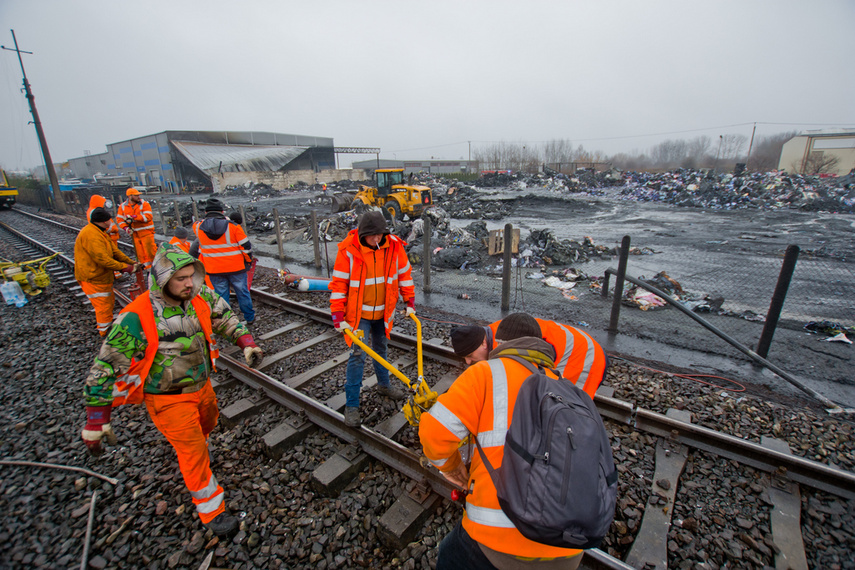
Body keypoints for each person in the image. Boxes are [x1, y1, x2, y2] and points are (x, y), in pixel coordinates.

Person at [80, 242, 264, 537]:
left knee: (208, 423)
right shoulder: (137, 316)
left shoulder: (198, 296)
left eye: (192, 276)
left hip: (202, 386)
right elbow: (106, 366)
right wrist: (97, 419)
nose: (189, 283)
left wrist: (246, 342)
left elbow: (224, 318)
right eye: (181, 278)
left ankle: (198, 450)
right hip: (167, 399)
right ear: (163, 279)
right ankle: (212, 511)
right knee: (191, 452)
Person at [419, 314, 584, 569]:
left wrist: (452, 468)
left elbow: (434, 432)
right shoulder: (569, 388)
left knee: (449, 555)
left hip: (497, 539)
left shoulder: (485, 373)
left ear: (499, 343)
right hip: (569, 546)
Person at [330, 210, 414, 427]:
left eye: (380, 234)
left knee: (381, 349)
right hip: (360, 316)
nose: (377, 239)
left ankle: (384, 385)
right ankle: (352, 405)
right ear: (362, 234)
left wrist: (409, 302)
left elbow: (404, 274)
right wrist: (338, 316)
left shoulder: (394, 247)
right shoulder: (348, 250)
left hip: (383, 313)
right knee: (357, 355)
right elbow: (339, 285)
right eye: (372, 235)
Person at [449, 313, 607, 399]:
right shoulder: (493, 333)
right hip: (573, 347)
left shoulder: (505, 348)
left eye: (469, 355)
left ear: (484, 343)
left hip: (585, 357)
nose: (468, 362)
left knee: (567, 406)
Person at [190, 198, 255, 324]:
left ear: (206, 212)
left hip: (214, 269)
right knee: (242, 293)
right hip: (236, 268)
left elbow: (197, 233)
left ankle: (227, 321)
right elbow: (246, 247)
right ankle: (249, 318)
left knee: (221, 295)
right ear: (222, 211)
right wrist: (248, 261)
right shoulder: (233, 227)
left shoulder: (198, 227)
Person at [74, 207, 138, 336]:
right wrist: (125, 267)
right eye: (109, 220)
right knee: (103, 306)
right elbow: (103, 259)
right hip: (93, 278)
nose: (111, 223)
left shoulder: (99, 231)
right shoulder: (91, 235)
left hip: (100, 277)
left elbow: (114, 252)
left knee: (108, 303)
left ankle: (107, 329)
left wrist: (131, 263)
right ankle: (105, 333)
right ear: (104, 222)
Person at [116, 188, 157, 270]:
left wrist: (134, 217)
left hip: (146, 232)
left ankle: (155, 267)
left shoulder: (144, 204)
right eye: (136, 195)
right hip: (134, 234)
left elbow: (148, 217)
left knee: (150, 252)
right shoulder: (123, 206)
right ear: (130, 196)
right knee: (140, 254)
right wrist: (126, 228)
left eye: (139, 195)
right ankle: (145, 268)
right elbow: (119, 220)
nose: (139, 197)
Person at [228, 211, 257, 289]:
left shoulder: (222, 228)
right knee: (242, 289)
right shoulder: (236, 228)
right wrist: (249, 260)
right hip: (236, 265)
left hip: (218, 265)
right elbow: (245, 247)